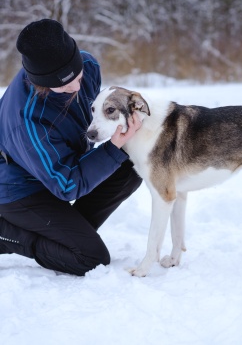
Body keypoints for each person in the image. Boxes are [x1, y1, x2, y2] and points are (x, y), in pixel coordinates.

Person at [0, 18, 143, 276]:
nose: (76, 87)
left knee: (132, 163)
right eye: (65, 86)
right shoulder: (28, 120)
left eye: (77, 77)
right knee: (89, 257)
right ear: (41, 83)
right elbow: (66, 185)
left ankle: (67, 233)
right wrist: (112, 149)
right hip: (18, 188)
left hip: (60, 167)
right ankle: (7, 235)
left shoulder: (88, 65)